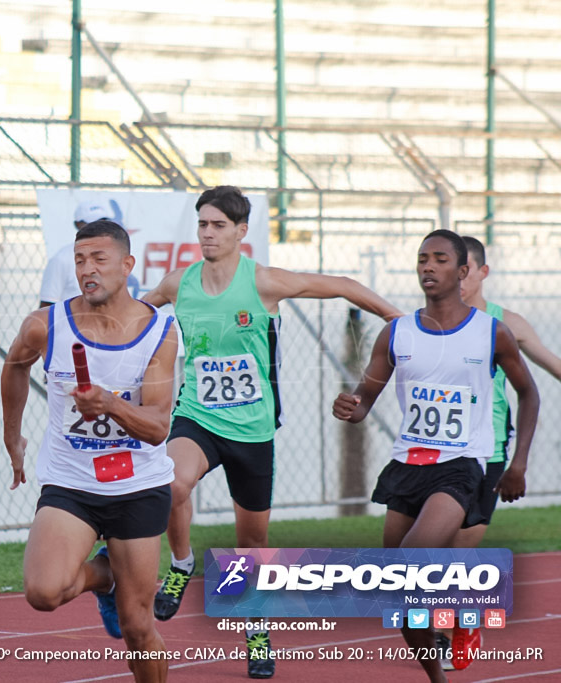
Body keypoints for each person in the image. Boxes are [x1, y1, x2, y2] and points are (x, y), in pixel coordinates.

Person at [141, 185, 402, 679]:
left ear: (241, 232)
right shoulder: (179, 283)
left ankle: (255, 628)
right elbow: (137, 313)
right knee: (172, 482)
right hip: (197, 415)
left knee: (252, 542)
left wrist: (395, 317)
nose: (208, 233)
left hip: (253, 429)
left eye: (219, 225)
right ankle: (180, 565)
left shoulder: (264, 283)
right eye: (202, 224)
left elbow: (343, 284)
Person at [332, 229, 539, 683]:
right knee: (400, 596)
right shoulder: (397, 332)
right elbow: (367, 394)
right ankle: (437, 677)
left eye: (440, 259)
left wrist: (518, 462)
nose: (428, 266)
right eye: (422, 258)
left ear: (463, 272)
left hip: (462, 466)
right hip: (407, 466)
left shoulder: (491, 332)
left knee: (408, 569)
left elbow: (529, 393)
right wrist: (351, 406)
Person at [2, 219, 179, 683]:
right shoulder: (46, 326)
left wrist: (109, 404)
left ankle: (117, 587)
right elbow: (14, 367)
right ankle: (105, 576)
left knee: (138, 627)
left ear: (127, 265)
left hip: (138, 485)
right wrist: (12, 435)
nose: (88, 270)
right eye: (80, 260)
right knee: (43, 592)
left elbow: (159, 426)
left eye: (99, 259)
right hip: (71, 481)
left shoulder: (159, 330)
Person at [433, 235, 561, 670]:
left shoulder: (507, 324)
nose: (458, 279)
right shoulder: (427, 320)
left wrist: (517, 463)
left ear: (480, 273)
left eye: (465, 271)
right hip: (429, 451)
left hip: (484, 451)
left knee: (457, 550)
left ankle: (462, 625)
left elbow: (549, 367)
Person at [40, 200, 139, 307]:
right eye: (80, 262)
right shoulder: (61, 259)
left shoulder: (115, 253)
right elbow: (47, 304)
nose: (97, 227)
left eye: (103, 221)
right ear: (78, 224)